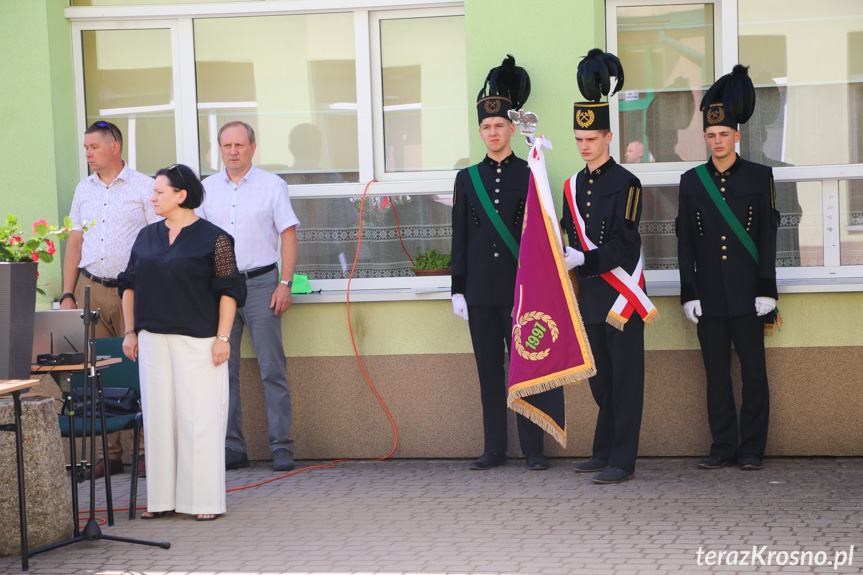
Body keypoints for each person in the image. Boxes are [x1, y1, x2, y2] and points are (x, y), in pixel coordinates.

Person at [119, 164, 246, 521]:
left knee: (199, 420)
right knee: (159, 421)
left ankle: (203, 502)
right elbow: (128, 285)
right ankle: (161, 501)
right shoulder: (145, 236)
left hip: (199, 342)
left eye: (159, 192)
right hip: (153, 340)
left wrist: (223, 338)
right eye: (154, 191)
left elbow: (229, 292)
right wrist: (131, 331)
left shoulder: (215, 238)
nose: (153, 197)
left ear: (181, 195)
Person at [561, 49, 657, 484]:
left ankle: (623, 459)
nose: (584, 146)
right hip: (589, 299)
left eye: (592, 139)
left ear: (608, 137)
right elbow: (565, 234)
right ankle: (603, 450)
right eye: (579, 140)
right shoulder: (572, 185)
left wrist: (587, 259)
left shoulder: (627, 183)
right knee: (600, 382)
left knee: (626, 383)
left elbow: (625, 241)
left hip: (621, 296)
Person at [676, 65, 778, 472]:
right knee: (716, 376)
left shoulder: (759, 176)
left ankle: (752, 448)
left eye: (724, 135)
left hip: (749, 294)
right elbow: (685, 242)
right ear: (704, 138)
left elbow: (769, 236)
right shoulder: (691, 181)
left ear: (737, 135)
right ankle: (722, 447)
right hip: (710, 296)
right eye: (711, 135)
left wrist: (767, 288)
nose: (717, 142)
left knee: (753, 374)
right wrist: (689, 292)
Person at [451, 55, 548, 472]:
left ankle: (534, 450)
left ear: (511, 129)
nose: (493, 133)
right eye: (486, 127)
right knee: (489, 373)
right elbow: (460, 236)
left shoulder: (530, 173)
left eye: (499, 126)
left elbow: (541, 235)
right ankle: (494, 449)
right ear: (480, 131)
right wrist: (457, 288)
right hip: (479, 292)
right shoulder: (466, 179)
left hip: (520, 290)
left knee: (527, 368)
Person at [199, 122, 300, 472]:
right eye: (226, 145)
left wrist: (284, 283)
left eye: (239, 144)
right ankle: (232, 447)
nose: (233, 151)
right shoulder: (205, 189)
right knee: (223, 371)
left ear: (253, 148)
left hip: (261, 286)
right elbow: (196, 243)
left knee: (273, 368)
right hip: (220, 290)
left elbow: (288, 235)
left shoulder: (273, 186)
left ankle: (281, 446)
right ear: (219, 149)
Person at [61, 120, 158, 480]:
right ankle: (111, 454)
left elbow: (156, 242)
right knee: (100, 373)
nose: (87, 153)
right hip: (93, 289)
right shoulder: (82, 189)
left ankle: (147, 452)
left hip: (133, 291)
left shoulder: (144, 187)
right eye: (85, 147)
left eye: (93, 147)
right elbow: (74, 242)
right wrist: (68, 293)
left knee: (140, 366)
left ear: (114, 147)